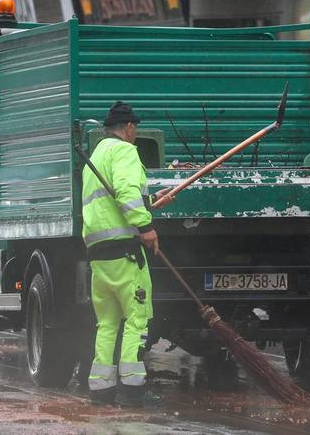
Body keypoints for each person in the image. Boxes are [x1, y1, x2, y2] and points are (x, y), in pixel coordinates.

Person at [82, 101, 170, 407]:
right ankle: (133, 390)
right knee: (136, 319)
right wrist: (146, 225)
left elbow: (113, 199)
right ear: (130, 128)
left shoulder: (97, 155)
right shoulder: (124, 151)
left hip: (100, 255)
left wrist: (149, 201)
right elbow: (126, 191)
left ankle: (101, 388)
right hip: (125, 254)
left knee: (107, 323)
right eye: (136, 129)